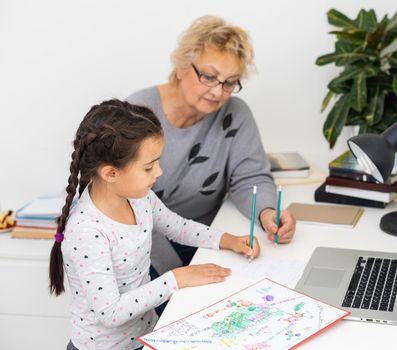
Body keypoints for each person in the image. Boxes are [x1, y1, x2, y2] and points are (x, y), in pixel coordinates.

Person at [48, 99, 260, 350]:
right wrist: (176, 279)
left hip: (144, 336)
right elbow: (110, 312)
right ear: (111, 173)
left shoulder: (140, 198)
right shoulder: (87, 231)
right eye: (148, 167)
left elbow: (177, 227)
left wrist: (227, 240)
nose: (158, 172)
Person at [127, 15, 296, 274]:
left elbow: (249, 177)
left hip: (203, 239)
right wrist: (176, 274)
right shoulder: (138, 113)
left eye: (229, 82)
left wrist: (266, 213)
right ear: (183, 65)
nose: (218, 92)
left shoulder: (234, 114)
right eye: (208, 76)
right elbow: (127, 210)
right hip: (140, 248)